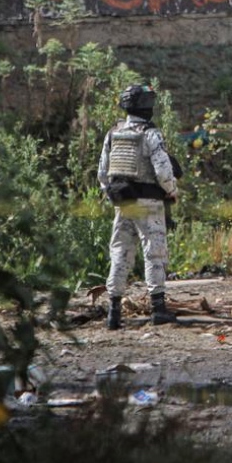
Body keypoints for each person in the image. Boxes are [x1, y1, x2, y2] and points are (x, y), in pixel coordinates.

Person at [98, 83, 180, 330]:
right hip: (148, 203)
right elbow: (164, 171)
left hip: (123, 204)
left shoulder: (114, 132)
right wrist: (172, 191)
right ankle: (158, 308)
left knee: (120, 253)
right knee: (154, 252)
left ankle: (114, 312)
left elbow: (103, 173)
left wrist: (113, 196)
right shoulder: (150, 134)